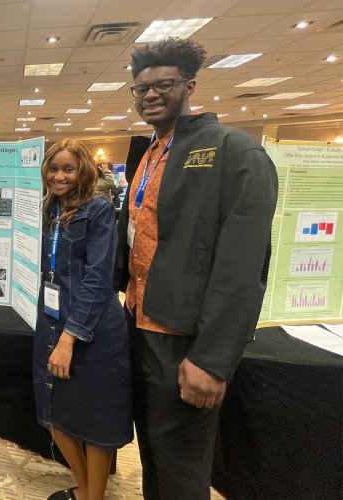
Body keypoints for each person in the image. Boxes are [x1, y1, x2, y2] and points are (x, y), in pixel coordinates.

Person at [115, 38, 278, 500]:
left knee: (182, 468)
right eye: (140, 88)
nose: (150, 95)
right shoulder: (150, 153)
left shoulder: (233, 151)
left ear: (188, 85)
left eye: (162, 84)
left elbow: (244, 266)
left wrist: (212, 359)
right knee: (153, 450)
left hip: (184, 338)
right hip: (139, 324)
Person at [35, 139, 132, 500]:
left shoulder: (99, 210)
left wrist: (69, 338)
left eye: (68, 169)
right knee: (55, 411)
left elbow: (98, 278)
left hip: (92, 328)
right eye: (54, 168)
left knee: (95, 419)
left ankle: (93, 495)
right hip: (52, 319)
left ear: (83, 171)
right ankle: (86, 487)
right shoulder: (49, 208)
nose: (59, 176)